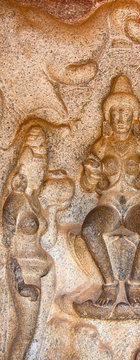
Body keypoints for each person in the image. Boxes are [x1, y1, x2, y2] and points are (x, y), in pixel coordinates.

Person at [80, 75, 140, 307]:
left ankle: (134, 284)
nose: (121, 117)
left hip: (137, 203)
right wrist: (91, 173)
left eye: (126, 112)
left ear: (134, 117)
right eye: (116, 111)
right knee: (89, 229)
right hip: (109, 203)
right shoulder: (101, 145)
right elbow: (87, 187)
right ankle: (109, 284)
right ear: (108, 117)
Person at [2, 126, 51, 359]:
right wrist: (20, 283)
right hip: (24, 272)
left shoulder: (34, 200)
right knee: (24, 333)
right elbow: (7, 247)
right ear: (25, 168)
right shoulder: (15, 201)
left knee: (37, 332)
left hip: (41, 270)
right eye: (39, 168)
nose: (43, 173)